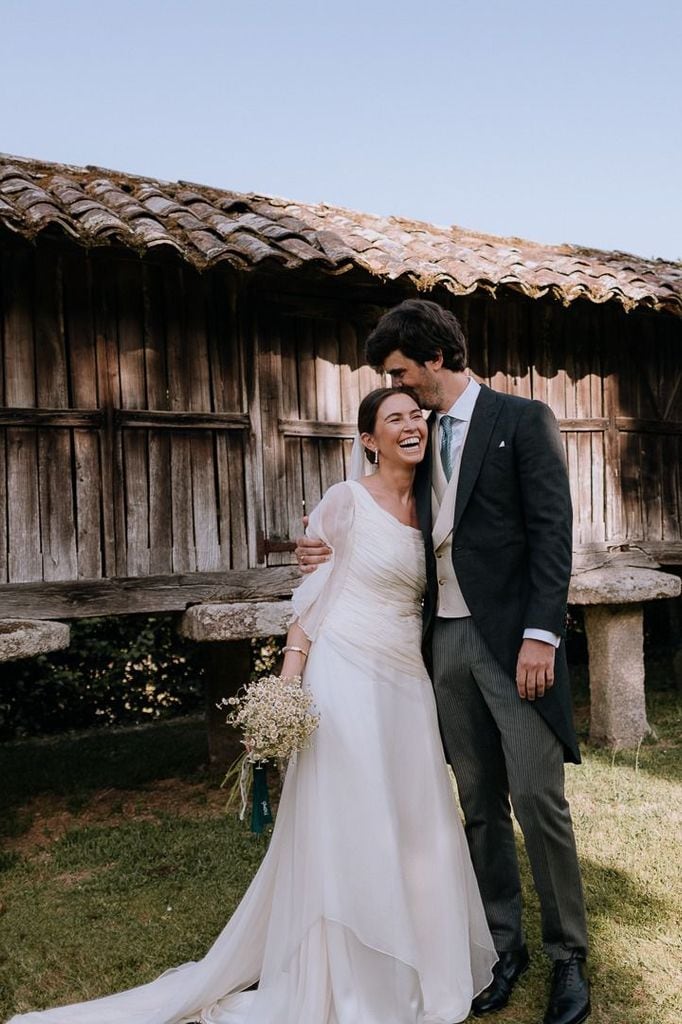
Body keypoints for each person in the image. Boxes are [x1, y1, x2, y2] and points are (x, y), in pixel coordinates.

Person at [8, 387, 496, 1024]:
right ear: (368, 440)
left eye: (416, 415)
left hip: (407, 677)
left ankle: (416, 958)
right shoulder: (344, 501)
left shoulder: (433, 502)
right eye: (394, 418)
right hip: (345, 670)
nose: (411, 426)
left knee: (412, 814)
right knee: (353, 816)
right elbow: (311, 599)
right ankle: (352, 978)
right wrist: (288, 681)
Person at [297, 300, 591, 1024]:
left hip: (514, 641)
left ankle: (568, 957)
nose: (396, 387)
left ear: (434, 358)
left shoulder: (523, 420)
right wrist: (321, 543)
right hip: (440, 644)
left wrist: (541, 635)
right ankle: (502, 949)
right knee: (478, 804)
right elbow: (382, 510)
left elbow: (553, 532)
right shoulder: (416, 439)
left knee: (537, 798)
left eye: (400, 371)